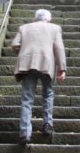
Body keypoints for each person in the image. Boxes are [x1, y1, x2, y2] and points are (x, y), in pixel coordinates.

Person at [11, 8, 66, 144]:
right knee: (48, 94)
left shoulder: (24, 28)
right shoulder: (54, 28)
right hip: (47, 64)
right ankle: (47, 124)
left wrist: (25, 52)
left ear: (35, 18)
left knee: (27, 98)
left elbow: (14, 44)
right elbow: (59, 48)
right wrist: (62, 68)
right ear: (48, 18)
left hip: (27, 65)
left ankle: (25, 133)